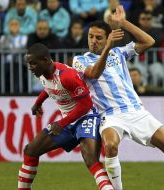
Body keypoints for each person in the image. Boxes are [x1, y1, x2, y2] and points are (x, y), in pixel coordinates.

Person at [72, 5, 164, 190]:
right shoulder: (80, 60)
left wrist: (124, 23)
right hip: (110, 115)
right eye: (90, 36)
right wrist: (108, 48)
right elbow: (94, 73)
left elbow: (149, 41)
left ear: (108, 38)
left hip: (136, 110)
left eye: (98, 38)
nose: (93, 41)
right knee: (110, 147)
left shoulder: (119, 53)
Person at [18, 43, 114, 190]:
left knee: (90, 159)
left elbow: (86, 105)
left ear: (46, 60)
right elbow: (48, 88)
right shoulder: (43, 73)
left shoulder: (67, 76)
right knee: (30, 150)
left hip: (86, 117)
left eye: (33, 63)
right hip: (67, 122)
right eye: (29, 64)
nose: (30, 67)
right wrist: (38, 103)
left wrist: (61, 123)